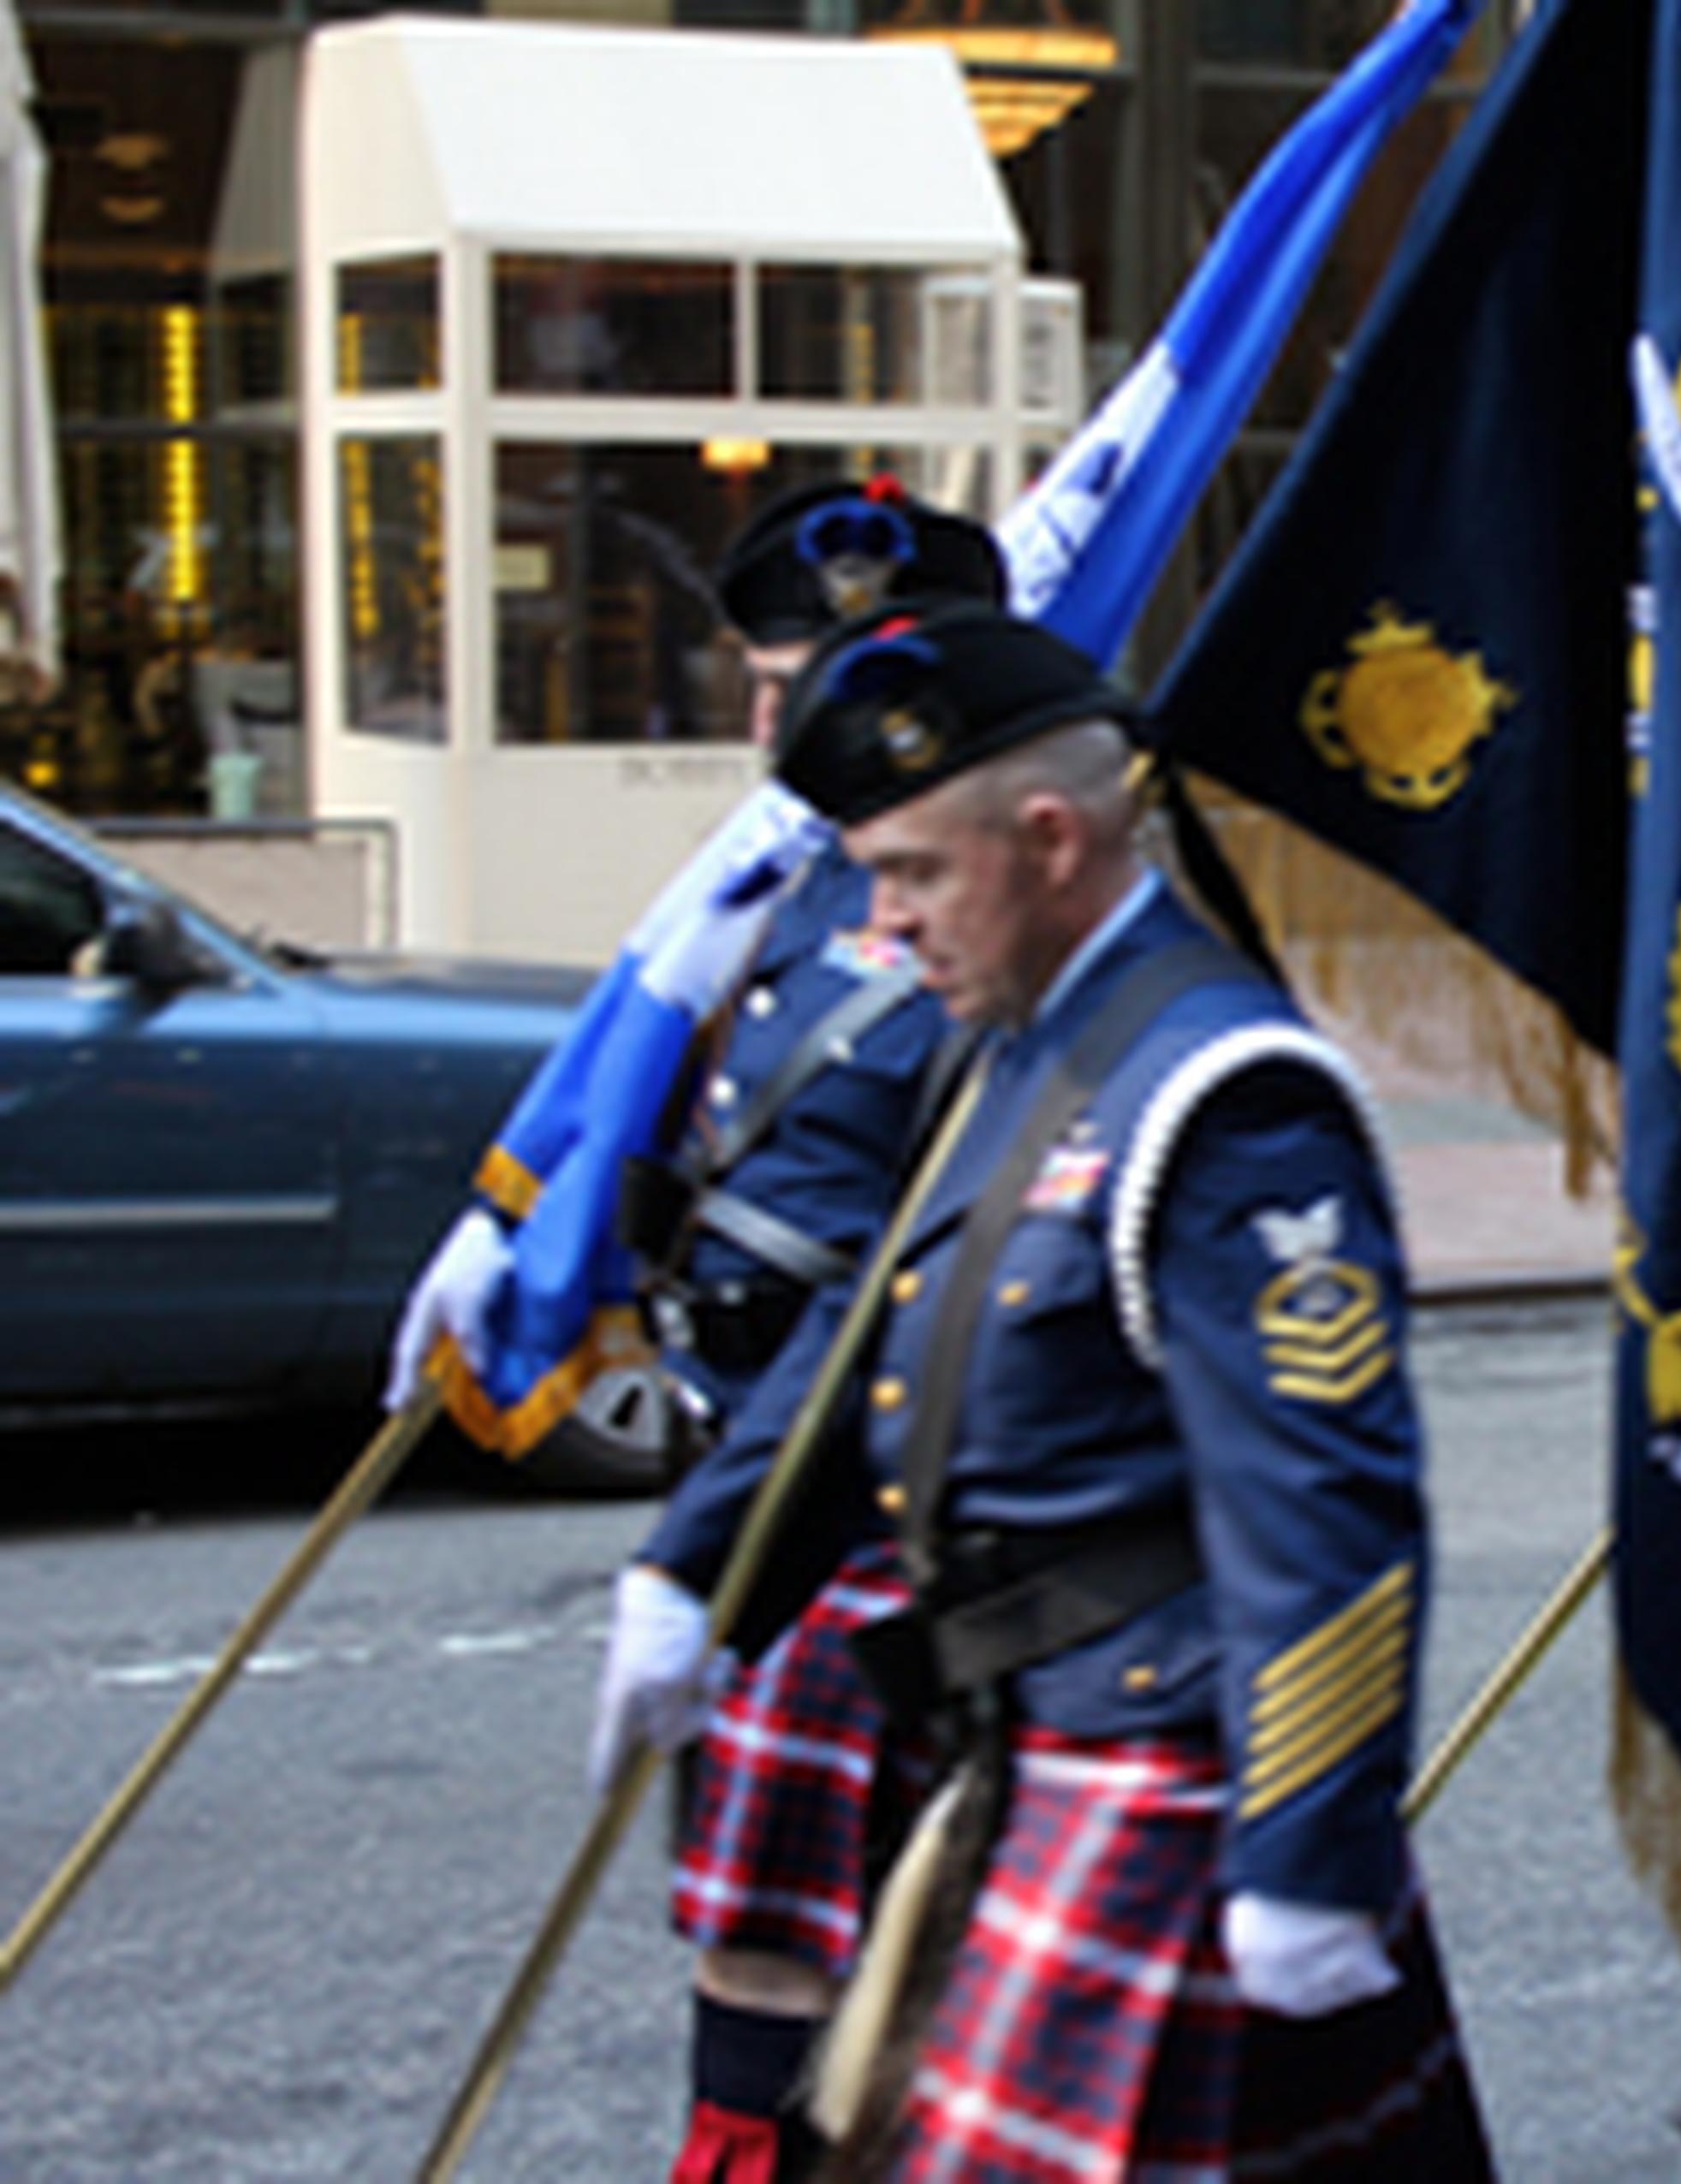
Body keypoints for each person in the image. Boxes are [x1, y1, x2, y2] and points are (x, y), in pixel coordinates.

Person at [602, 602, 1489, 2180]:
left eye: (917, 872)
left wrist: (1310, 1842)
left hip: (1169, 1766)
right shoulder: (1006, 1039)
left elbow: (1328, 1505)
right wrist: (696, 1572)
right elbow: (866, 1329)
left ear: (1051, 838)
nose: (888, 922)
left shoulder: (1225, 1092)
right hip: (1020, 1740)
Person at [401, 474, 1001, 2184]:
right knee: (771, 1954)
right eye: (757, 683)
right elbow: (693, 1112)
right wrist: (525, 1235)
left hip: (881, 1496)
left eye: (799, 681)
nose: (769, 718)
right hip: (758, 1466)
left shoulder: (962, 900)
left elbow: (934, 1247)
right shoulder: (787, 888)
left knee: (863, 1970)